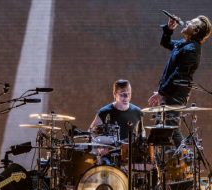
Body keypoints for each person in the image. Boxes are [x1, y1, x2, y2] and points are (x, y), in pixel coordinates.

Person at [148, 15, 211, 147]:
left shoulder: (192, 50)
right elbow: (166, 43)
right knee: (167, 126)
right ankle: (174, 162)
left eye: (191, 22)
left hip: (176, 93)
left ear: (196, 31)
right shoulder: (185, 44)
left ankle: (182, 161)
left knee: (171, 127)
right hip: (171, 91)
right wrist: (169, 29)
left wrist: (161, 92)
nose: (187, 22)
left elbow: (177, 76)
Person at [89, 79, 144, 164]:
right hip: (109, 157)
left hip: (129, 156)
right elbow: (91, 133)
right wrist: (99, 148)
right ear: (114, 94)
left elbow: (142, 132)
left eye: (129, 93)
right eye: (123, 94)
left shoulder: (137, 112)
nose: (127, 97)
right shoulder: (104, 112)